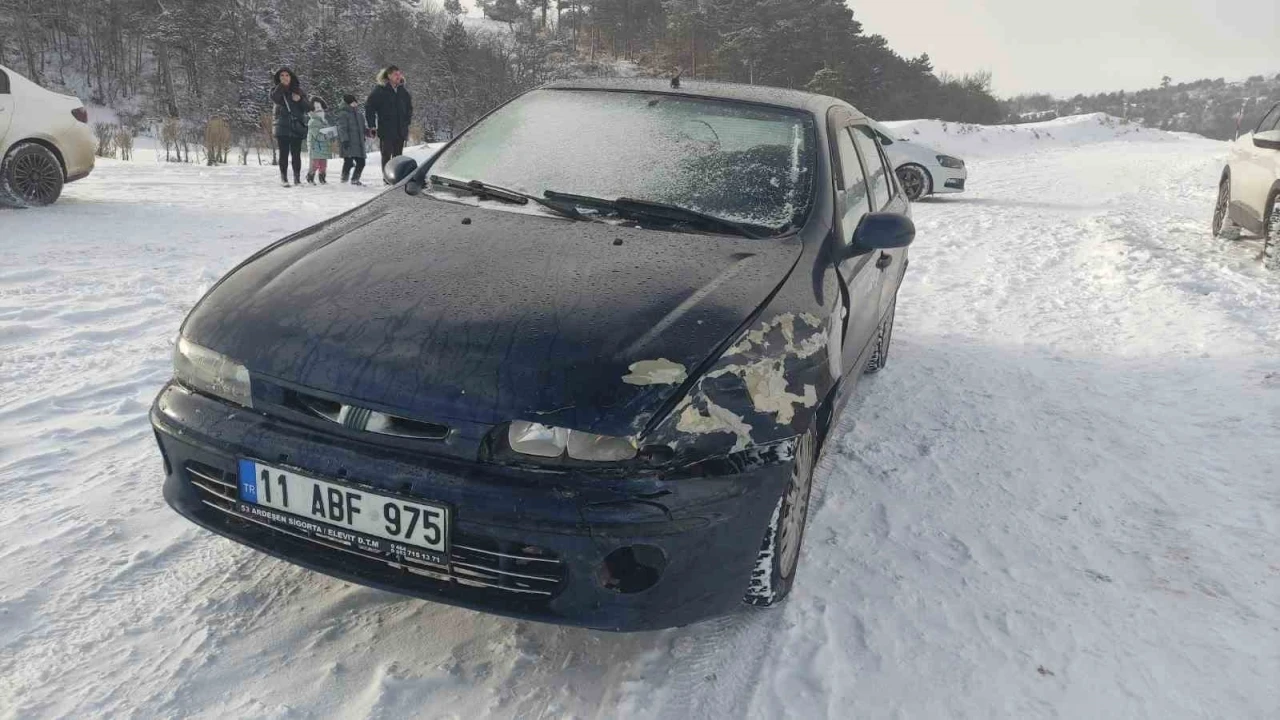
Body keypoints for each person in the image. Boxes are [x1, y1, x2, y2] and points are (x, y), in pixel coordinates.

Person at [365, 65, 413, 178]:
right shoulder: (380, 90)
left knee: (398, 156)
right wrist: (372, 125)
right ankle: (386, 179)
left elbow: (409, 108)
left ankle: (397, 178)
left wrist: (407, 121)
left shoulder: (402, 90)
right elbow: (369, 107)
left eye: (399, 73)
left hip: (400, 130)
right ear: (389, 75)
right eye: (395, 74)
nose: (398, 76)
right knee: (386, 156)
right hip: (386, 130)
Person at [269, 67, 308, 187]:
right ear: (278, 78)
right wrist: (281, 87)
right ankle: (284, 178)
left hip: (296, 126)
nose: (285, 77)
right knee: (284, 154)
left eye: (287, 75)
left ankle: (297, 178)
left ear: (291, 77)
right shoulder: (276, 90)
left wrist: (300, 99)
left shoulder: (299, 91)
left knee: (296, 154)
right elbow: (275, 98)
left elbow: (307, 108)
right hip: (283, 126)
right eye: (282, 75)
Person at [335, 94, 368, 185]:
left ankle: (355, 179)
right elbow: (342, 128)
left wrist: (368, 132)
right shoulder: (343, 114)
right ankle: (344, 179)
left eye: (355, 102)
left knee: (361, 162)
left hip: (358, 143)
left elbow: (363, 128)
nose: (355, 104)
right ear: (347, 104)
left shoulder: (359, 115)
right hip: (348, 142)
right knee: (348, 162)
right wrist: (344, 140)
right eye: (352, 103)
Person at [305, 96, 336, 184]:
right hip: (315, 146)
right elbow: (317, 136)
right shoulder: (313, 122)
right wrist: (327, 135)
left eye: (321, 108)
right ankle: (310, 177)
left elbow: (327, 132)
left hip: (324, 146)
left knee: (323, 164)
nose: (319, 110)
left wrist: (332, 135)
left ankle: (322, 178)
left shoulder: (324, 121)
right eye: (317, 108)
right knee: (314, 164)